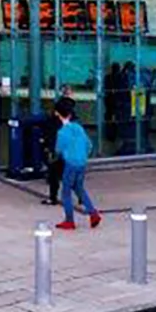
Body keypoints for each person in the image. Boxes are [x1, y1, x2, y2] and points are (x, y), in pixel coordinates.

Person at [52, 98, 102, 230]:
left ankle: (69, 221)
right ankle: (93, 213)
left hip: (70, 164)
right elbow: (89, 145)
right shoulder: (79, 128)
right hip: (82, 163)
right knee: (79, 188)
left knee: (66, 192)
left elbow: (58, 150)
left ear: (57, 113)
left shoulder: (61, 132)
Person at [42, 100, 66, 205]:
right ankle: (80, 197)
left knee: (53, 175)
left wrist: (47, 147)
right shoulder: (68, 122)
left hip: (55, 151)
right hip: (65, 151)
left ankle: (53, 197)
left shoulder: (52, 122)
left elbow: (49, 136)